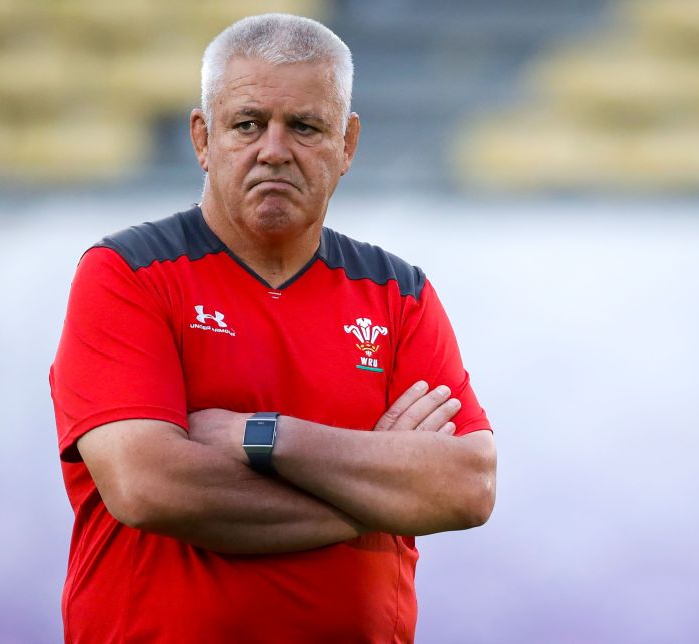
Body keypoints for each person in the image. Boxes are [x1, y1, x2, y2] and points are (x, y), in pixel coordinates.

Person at [49, 13, 496, 643]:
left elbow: (467, 486)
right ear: (203, 139)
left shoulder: (399, 295)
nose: (274, 149)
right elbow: (149, 486)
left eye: (306, 126)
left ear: (348, 144)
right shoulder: (127, 274)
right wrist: (378, 487)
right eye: (248, 124)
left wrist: (265, 437)